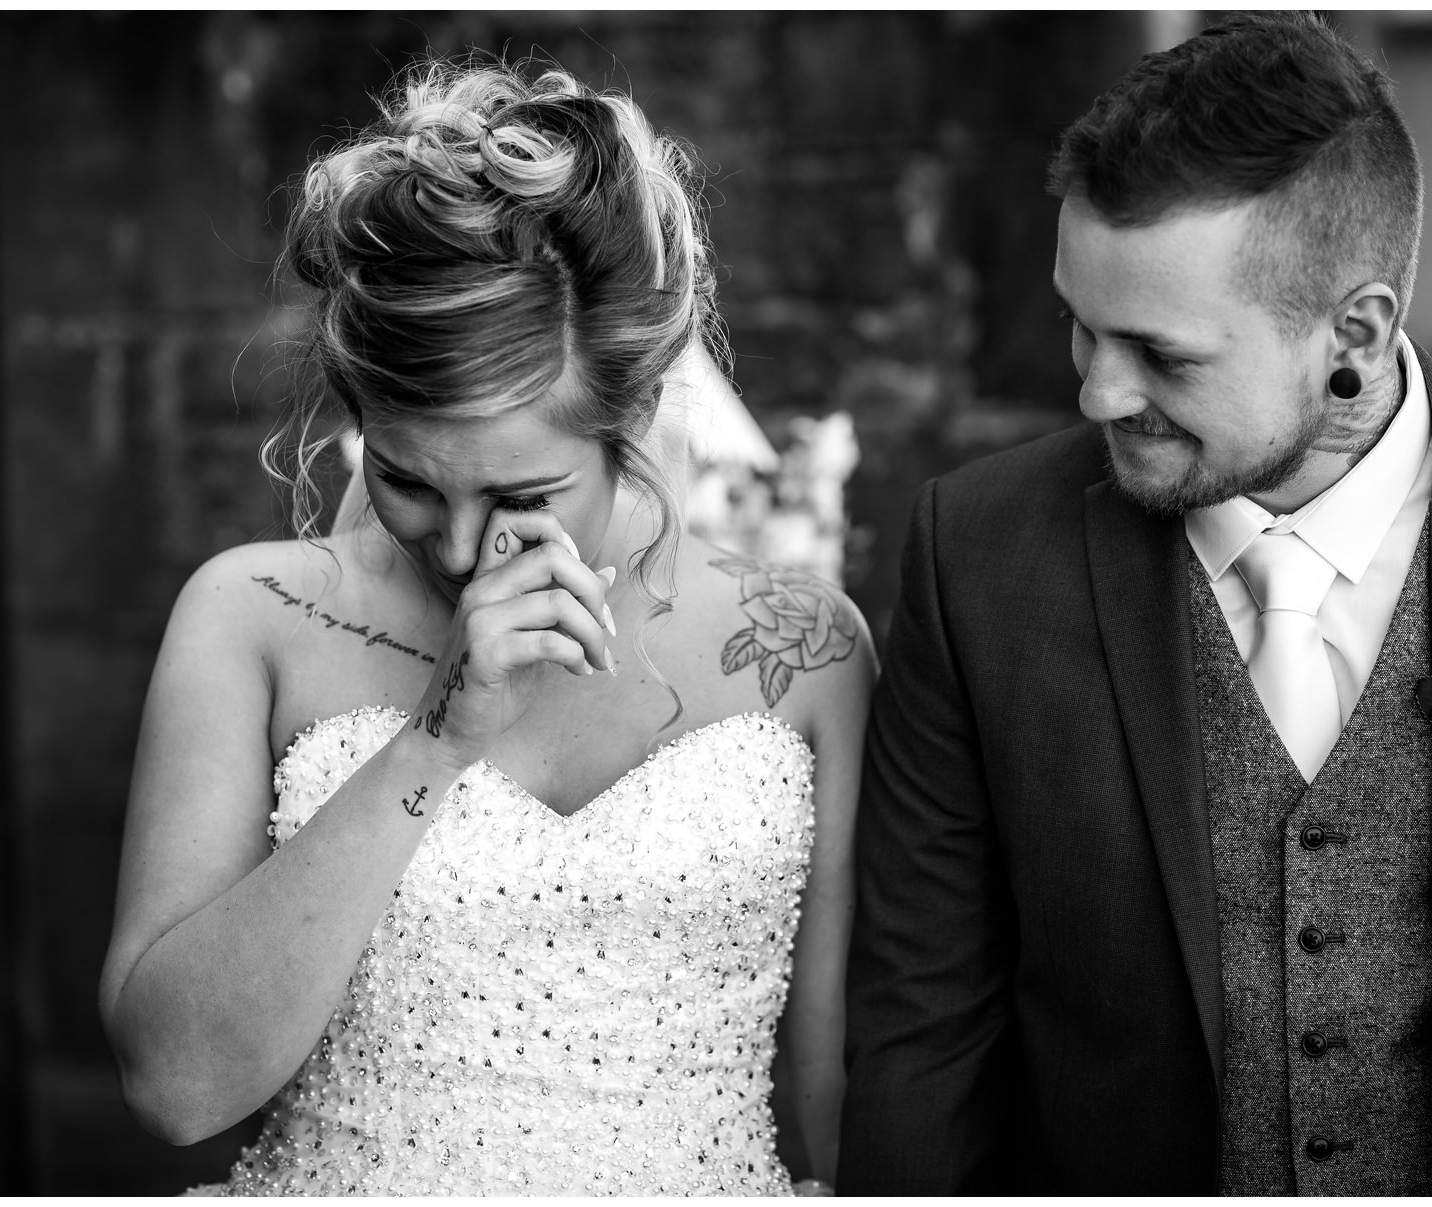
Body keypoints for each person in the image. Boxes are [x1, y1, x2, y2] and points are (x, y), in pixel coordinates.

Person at [839, 12, 1432, 1196]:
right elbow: (923, 1026)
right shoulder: (979, 555)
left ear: (1353, 332)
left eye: (1163, 354)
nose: (1102, 392)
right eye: (1080, 324)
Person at [98, 58, 873, 1196]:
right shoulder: (249, 615)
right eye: (410, 481)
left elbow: (843, 1097)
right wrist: (432, 743)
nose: (460, 553)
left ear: (639, 413)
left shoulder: (808, 648)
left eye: (520, 496)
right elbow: (175, 1087)